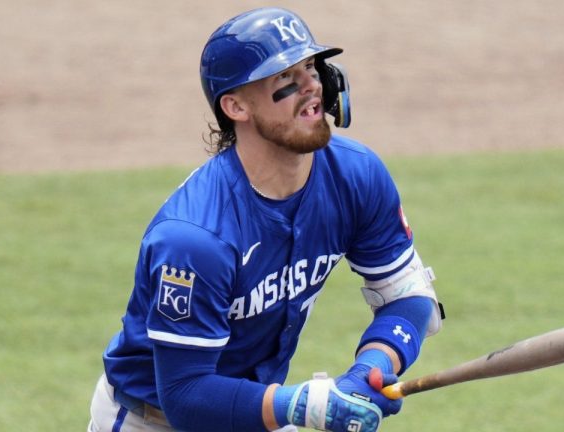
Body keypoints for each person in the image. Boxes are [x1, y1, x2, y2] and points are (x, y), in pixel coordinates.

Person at [88, 7, 443, 432]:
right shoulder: (197, 237)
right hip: (155, 420)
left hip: (257, 409)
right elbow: (186, 396)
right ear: (236, 105)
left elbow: (408, 296)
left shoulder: (355, 177)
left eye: (311, 68)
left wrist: (370, 367)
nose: (312, 87)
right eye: (285, 79)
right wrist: (302, 404)